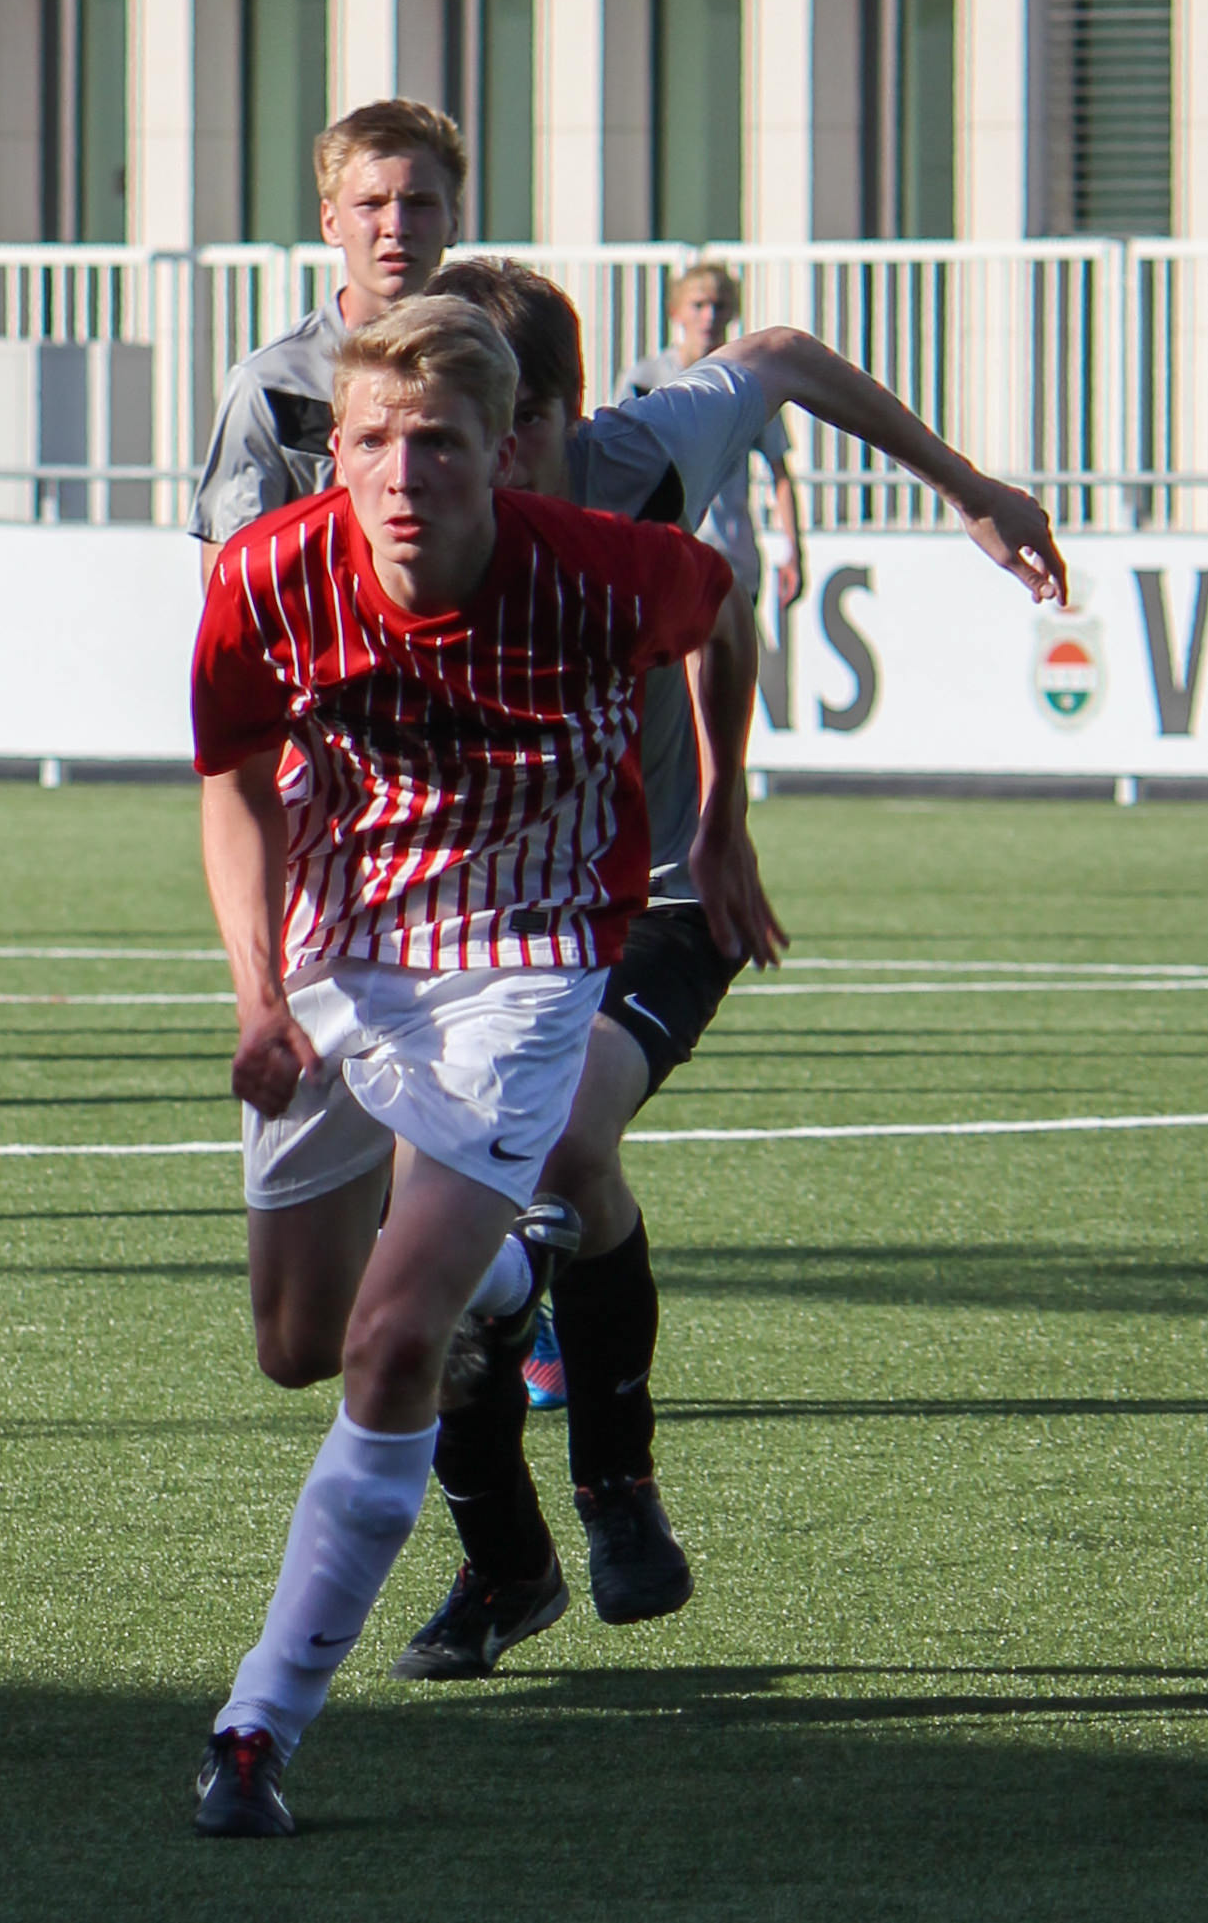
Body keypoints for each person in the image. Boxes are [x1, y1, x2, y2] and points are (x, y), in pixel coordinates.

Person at [372, 260, 1069, 1678]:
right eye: (449, 428)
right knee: (419, 1252)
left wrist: (968, 488)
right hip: (480, 915)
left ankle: (615, 1483)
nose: (474, 461)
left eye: (507, 426)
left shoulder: (642, 456)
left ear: (563, 414)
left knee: (563, 1141)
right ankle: (505, 1565)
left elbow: (785, 361)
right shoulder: (406, 498)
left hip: (664, 896)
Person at [188, 295, 738, 1836]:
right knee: (296, 1342)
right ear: (335, 454)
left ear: (504, 451)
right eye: (371, 440)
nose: (401, 472)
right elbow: (235, 782)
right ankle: (504, 1279)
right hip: (336, 951)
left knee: (382, 1346)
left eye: (436, 441)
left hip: (522, 963)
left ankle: (256, 1727)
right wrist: (257, 997)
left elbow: (723, 610)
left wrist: (724, 816)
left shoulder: (600, 570)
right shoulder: (266, 574)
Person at [188, 99, 461, 582]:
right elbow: (231, 578)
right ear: (331, 222)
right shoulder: (272, 385)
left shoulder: (498, 368)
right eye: (371, 204)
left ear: (453, 219)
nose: (396, 227)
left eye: (419, 203)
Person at [626, 261, 805, 611]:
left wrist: (795, 552)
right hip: (665, 557)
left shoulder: (748, 382)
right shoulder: (646, 378)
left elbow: (780, 472)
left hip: (730, 557)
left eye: (719, 305)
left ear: (733, 312)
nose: (709, 316)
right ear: (676, 311)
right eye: (699, 305)